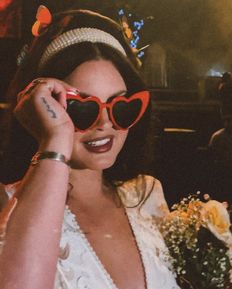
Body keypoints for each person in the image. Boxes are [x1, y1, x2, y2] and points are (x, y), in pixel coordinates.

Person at [0, 8, 179, 289]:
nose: (105, 123)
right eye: (82, 108)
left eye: (122, 107)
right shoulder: (8, 204)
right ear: (42, 109)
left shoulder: (147, 194)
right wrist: (55, 139)